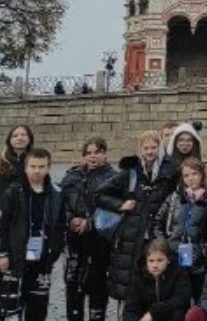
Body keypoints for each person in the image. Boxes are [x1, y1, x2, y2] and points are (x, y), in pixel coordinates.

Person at [96, 129, 179, 305]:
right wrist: (120, 205)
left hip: (156, 238)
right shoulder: (131, 172)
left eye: (153, 147)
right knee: (129, 292)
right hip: (131, 238)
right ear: (140, 149)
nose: (150, 151)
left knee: (156, 289)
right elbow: (101, 194)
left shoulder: (170, 171)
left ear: (160, 147)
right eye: (146, 147)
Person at [0, 148, 66, 321]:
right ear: (26, 167)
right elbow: (3, 225)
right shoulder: (14, 192)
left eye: (41, 166)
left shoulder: (57, 194)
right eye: (33, 166)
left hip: (42, 260)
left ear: (48, 167)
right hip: (16, 259)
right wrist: (3, 253)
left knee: (38, 309)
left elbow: (60, 226)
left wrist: (54, 252)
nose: (37, 171)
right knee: (11, 310)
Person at [60, 136, 118, 321]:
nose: (93, 156)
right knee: (72, 284)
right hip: (75, 241)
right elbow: (61, 204)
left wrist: (90, 222)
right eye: (89, 153)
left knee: (97, 286)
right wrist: (70, 220)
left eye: (98, 152)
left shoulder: (113, 177)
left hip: (99, 242)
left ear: (105, 154)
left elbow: (114, 209)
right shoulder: (71, 176)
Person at [154, 157, 207, 300]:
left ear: (202, 175)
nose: (191, 178)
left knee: (198, 298)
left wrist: (203, 251)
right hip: (173, 255)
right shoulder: (174, 198)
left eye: (194, 174)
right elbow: (158, 222)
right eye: (186, 175)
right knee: (176, 299)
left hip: (196, 260)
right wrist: (165, 246)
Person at [123, 239, 192, 321]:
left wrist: (154, 312)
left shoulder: (177, 271)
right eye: (151, 261)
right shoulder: (139, 275)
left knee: (179, 312)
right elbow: (131, 307)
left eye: (160, 260)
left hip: (167, 315)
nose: (155, 265)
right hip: (146, 317)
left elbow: (182, 298)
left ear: (168, 260)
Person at [0, 124, 34, 199]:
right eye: (15, 136)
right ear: (9, 140)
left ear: (30, 138)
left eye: (23, 135)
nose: (19, 138)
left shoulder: (36, 160)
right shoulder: (2, 161)